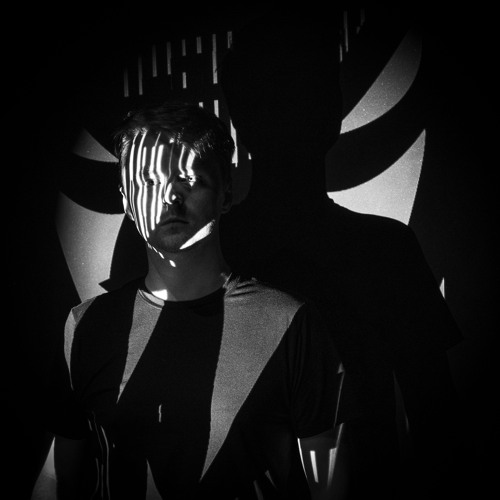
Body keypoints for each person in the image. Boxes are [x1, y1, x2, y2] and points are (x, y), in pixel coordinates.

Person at [218, 12, 471, 500]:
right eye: (283, 91)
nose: (295, 109)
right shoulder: (383, 249)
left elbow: (438, 424)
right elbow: (439, 426)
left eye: (307, 86)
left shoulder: (208, 252)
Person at [48, 101, 347, 499]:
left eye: (189, 178)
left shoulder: (290, 323)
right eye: (148, 181)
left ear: (227, 191)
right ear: (126, 200)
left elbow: (329, 482)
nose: (170, 196)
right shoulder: (87, 327)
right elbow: (58, 476)